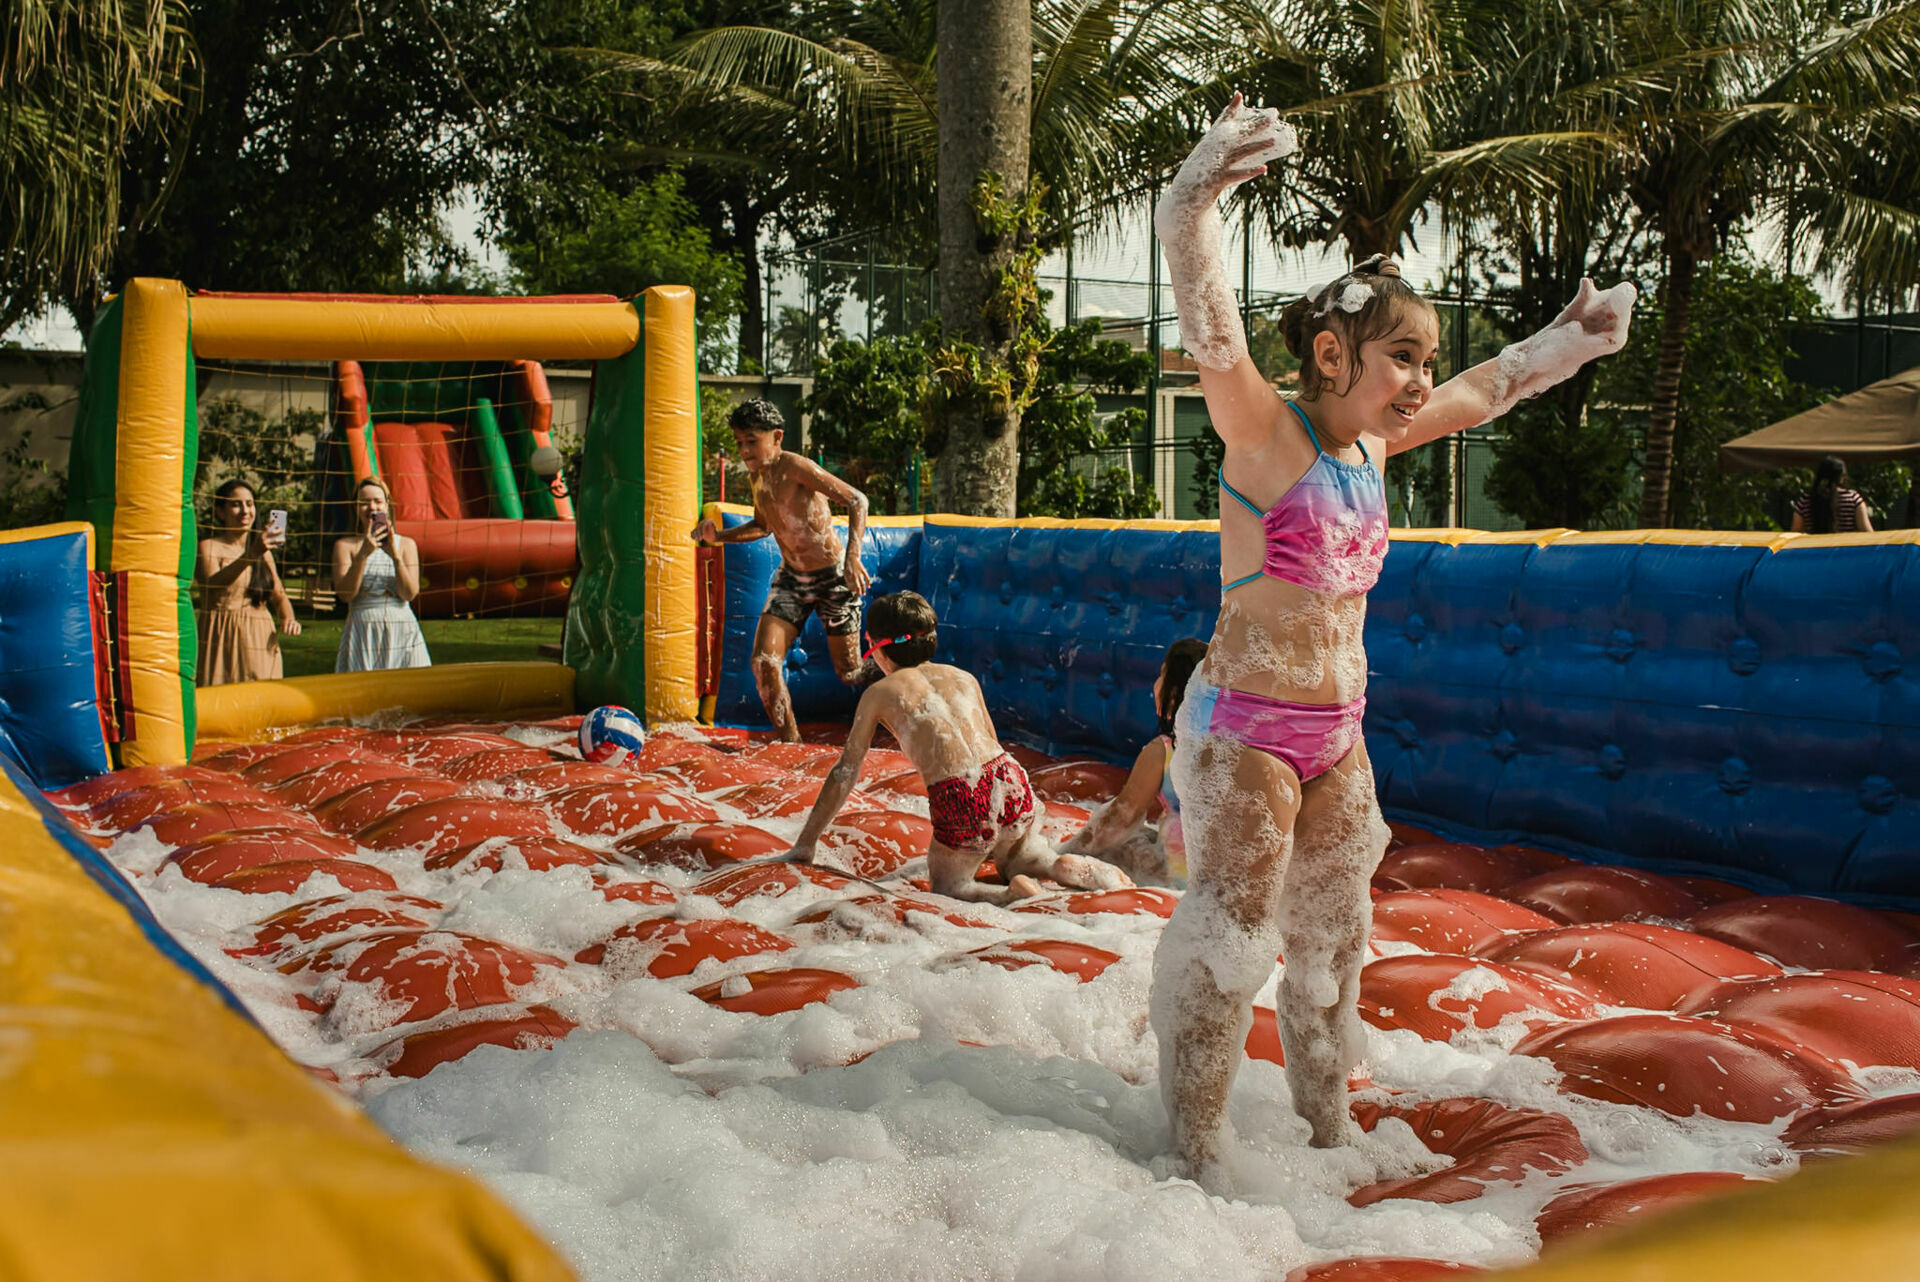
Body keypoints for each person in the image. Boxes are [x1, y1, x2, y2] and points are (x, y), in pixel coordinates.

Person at [1150, 93, 1636, 1183]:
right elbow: (1210, 324)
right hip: (1246, 730)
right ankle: (1191, 1161)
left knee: (1332, 946)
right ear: (1331, 354)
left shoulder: (1375, 449)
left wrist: (1571, 339)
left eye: (1423, 361)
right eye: (1401, 358)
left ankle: (1328, 1142)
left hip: (1339, 733)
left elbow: (1485, 389)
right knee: (1232, 937)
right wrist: (1196, 198)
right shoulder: (1266, 438)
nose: (1420, 381)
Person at [781, 591, 1134, 905]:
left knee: (949, 889)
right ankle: (1056, 866)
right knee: (1022, 857)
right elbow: (994, 746)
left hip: (962, 793)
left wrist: (806, 843)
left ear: (877, 647)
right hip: (1009, 779)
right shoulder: (962, 676)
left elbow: (845, 772)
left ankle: (1010, 894)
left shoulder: (879, 693)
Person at [692, 398, 874, 742]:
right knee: (763, 662)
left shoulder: (794, 467)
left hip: (833, 576)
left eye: (752, 441)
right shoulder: (758, 478)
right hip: (792, 578)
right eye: (740, 442)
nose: (744, 450)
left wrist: (853, 556)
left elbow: (857, 500)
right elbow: (762, 526)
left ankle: (903, 677)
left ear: (776, 437)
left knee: (850, 672)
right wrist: (720, 537)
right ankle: (791, 744)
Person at [1061, 638, 1211, 887]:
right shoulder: (1234, 748)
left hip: (1177, 882)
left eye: (1162, 674)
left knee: (1097, 856)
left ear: (1175, 692)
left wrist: (1066, 849)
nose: (1155, 684)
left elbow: (1121, 817)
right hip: (1217, 885)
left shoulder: (1164, 750)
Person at [194, 479, 301, 685]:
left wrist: (289, 618)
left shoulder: (263, 551)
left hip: (260, 639)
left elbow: (278, 595)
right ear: (220, 512)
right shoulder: (208, 547)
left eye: (250, 504)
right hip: (221, 635)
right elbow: (212, 584)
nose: (245, 511)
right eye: (236, 504)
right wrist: (252, 554)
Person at [332, 476, 430, 672]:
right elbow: (345, 594)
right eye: (364, 503)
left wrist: (395, 556)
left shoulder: (407, 545)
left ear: (387, 505)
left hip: (402, 627)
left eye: (377, 501)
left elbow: (409, 594)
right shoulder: (345, 546)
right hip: (363, 628)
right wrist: (363, 555)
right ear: (355, 508)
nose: (372, 507)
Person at [1792, 455, 1874, 533]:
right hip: (1843, 546)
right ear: (1840, 475)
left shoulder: (1805, 500)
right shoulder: (1853, 498)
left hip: (1815, 547)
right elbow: (1866, 531)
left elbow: (1796, 532)